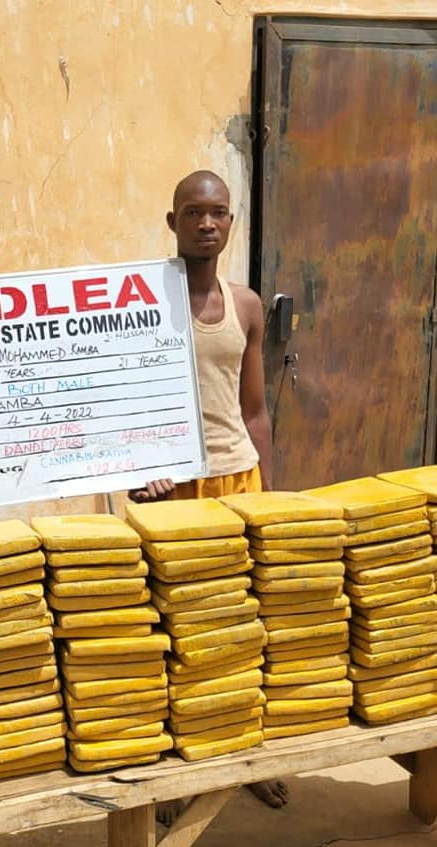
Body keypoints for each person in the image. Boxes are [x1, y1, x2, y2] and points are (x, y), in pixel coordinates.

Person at [130, 171, 289, 810]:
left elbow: (255, 410)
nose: (206, 223)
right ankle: (172, 770)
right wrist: (139, 472)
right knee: (173, 625)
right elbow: (118, 406)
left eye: (217, 212)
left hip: (237, 478)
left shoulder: (246, 306)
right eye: (193, 212)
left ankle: (245, 752)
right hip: (173, 489)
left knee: (243, 621)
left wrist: (269, 496)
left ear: (230, 222)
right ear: (173, 222)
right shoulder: (138, 304)